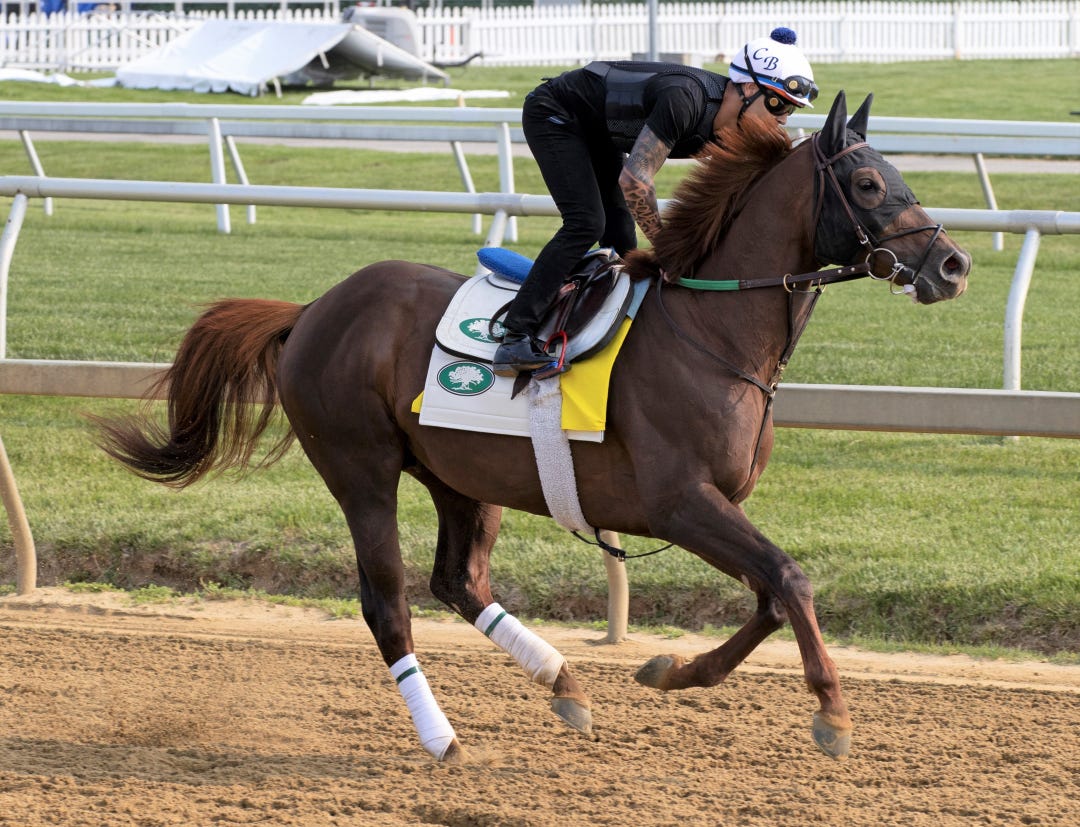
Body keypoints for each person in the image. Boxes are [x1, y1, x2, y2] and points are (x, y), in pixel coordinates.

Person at [492, 27, 818, 376]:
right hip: (555, 114)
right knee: (586, 222)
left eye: (791, 109)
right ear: (749, 88)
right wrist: (667, 250)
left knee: (620, 239)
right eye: (778, 103)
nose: (783, 117)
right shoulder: (684, 100)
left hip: (600, 131)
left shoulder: (730, 124)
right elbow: (634, 180)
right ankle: (515, 337)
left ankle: (607, 331)